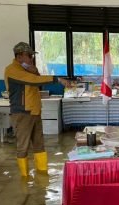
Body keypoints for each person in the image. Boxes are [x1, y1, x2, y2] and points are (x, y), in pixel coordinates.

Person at [4, 42, 70, 177]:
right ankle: (25, 178)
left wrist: (35, 71)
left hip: (34, 111)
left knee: (39, 144)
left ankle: (42, 173)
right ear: (20, 56)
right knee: (23, 147)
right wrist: (57, 79)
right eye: (29, 56)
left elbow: (36, 82)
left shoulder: (26, 70)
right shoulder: (12, 70)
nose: (31, 59)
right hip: (22, 113)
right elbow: (33, 81)